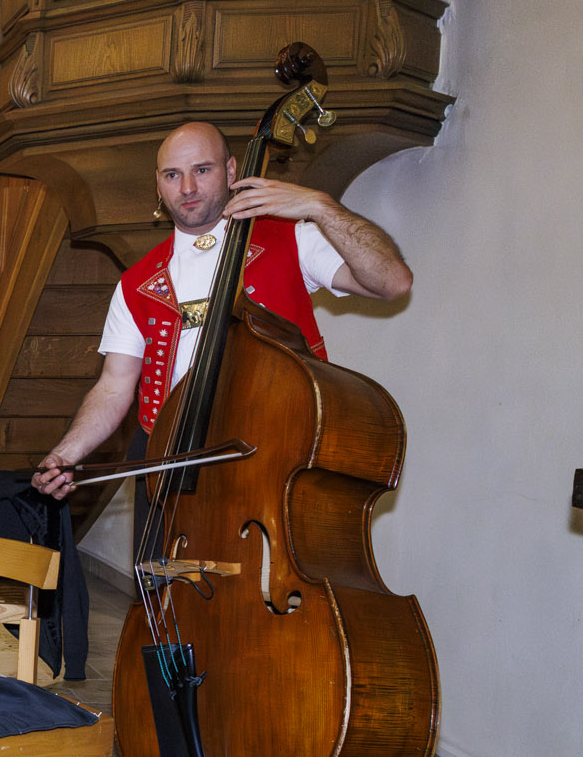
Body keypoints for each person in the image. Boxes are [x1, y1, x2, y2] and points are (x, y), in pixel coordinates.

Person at [31, 121, 412, 509]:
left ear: (231, 171)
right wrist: (65, 454)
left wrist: (322, 207)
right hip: (169, 466)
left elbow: (392, 282)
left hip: (275, 455)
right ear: (158, 184)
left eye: (202, 169)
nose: (187, 188)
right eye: (172, 175)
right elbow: (114, 386)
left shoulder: (290, 238)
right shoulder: (137, 283)